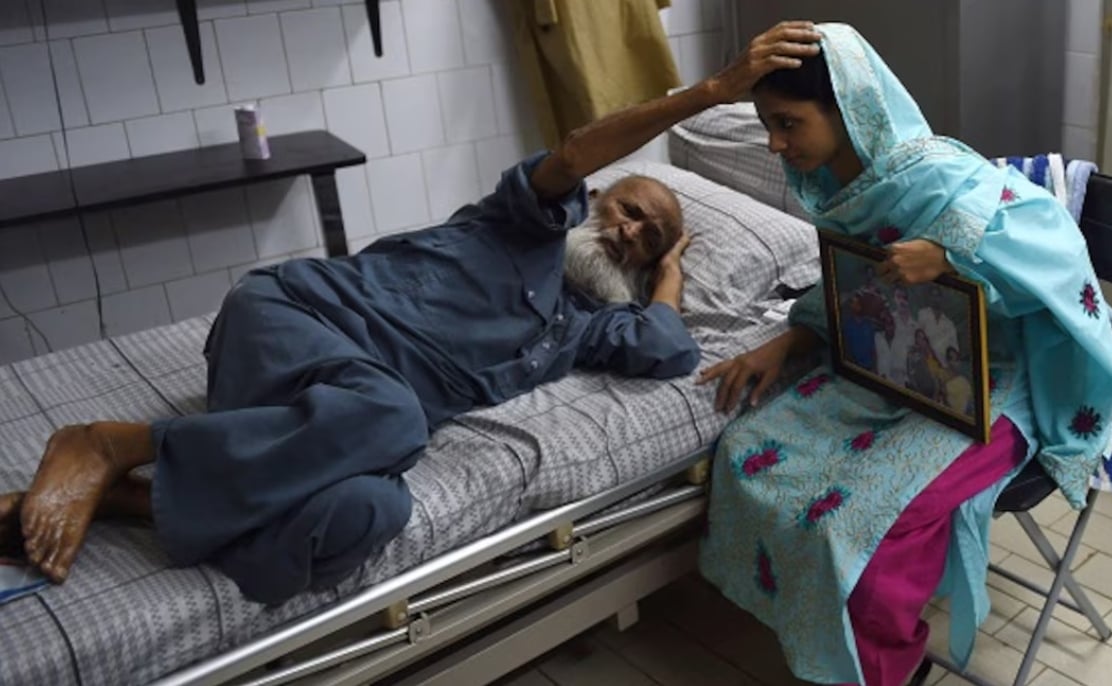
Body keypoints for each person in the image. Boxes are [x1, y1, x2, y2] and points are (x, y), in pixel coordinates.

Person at [0, 28, 823, 604]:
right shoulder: (520, 221)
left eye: (651, 238)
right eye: (632, 209)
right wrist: (711, 92)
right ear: (596, 202)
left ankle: (138, 502)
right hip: (291, 321)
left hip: (321, 418)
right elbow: (574, 150)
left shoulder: (583, 328)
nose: (635, 230)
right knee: (394, 418)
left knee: (372, 512)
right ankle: (110, 443)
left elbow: (668, 347)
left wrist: (671, 270)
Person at [697, 23, 1112, 686]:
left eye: (788, 123)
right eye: (768, 126)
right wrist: (788, 341)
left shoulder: (938, 177)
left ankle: (888, 665)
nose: (777, 145)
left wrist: (954, 256)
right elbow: (847, 287)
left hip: (1000, 384)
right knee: (747, 454)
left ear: (849, 108)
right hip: (896, 370)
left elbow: (1060, 249)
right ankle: (830, 635)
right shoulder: (841, 188)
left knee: (863, 526)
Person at [917, 286, 960, 365]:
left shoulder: (949, 324)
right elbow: (918, 337)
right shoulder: (923, 314)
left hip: (945, 365)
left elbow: (955, 348)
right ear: (929, 298)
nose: (935, 299)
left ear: (941, 299)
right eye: (933, 296)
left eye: (937, 296)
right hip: (927, 361)